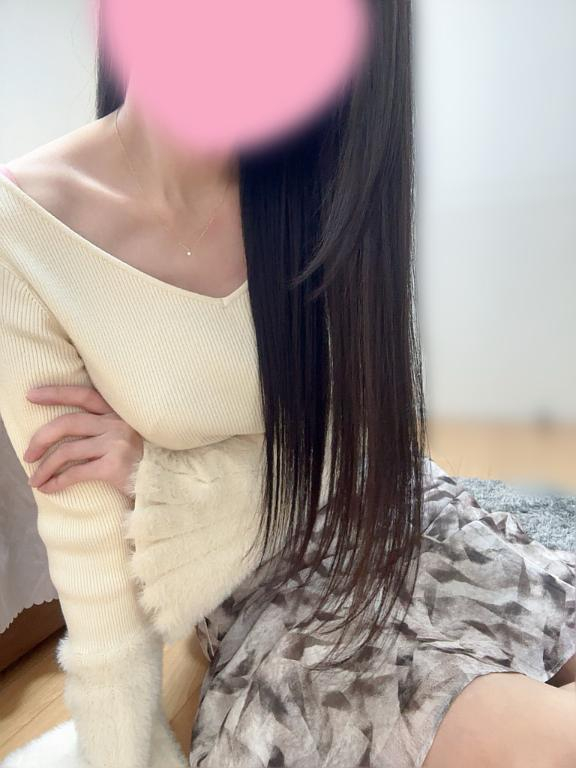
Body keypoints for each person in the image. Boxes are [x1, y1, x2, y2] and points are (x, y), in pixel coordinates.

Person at [1, 2, 575, 766]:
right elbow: (91, 560)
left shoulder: (318, 188)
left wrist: (168, 478)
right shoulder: (23, 235)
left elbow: (360, 438)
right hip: (265, 588)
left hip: (390, 509)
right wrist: (123, 753)